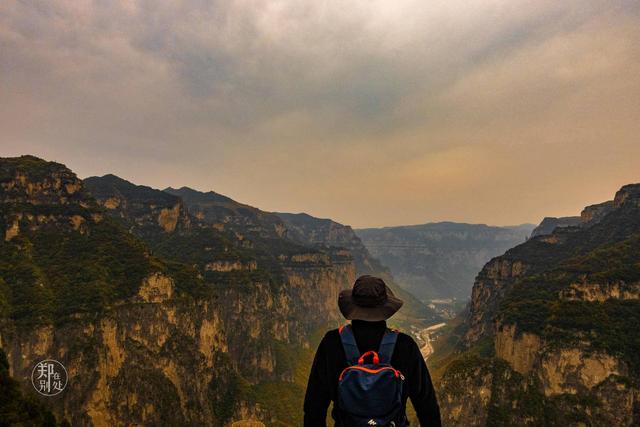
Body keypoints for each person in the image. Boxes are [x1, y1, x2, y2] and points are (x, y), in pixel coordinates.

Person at [304, 275, 442, 426]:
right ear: (386, 308)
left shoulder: (331, 343)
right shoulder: (405, 345)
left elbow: (314, 407)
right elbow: (427, 406)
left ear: (352, 306)